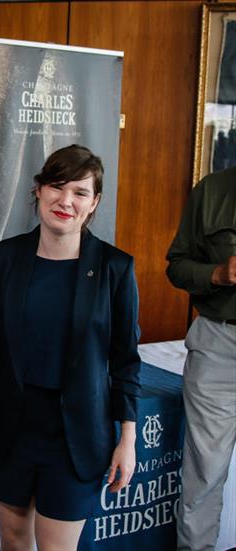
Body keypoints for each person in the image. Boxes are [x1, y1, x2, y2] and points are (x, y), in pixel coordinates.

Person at [0, 144, 141, 550]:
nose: (66, 201)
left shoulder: (116, 268)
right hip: (10, 430)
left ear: (94, 202)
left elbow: (125, 363)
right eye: (57, 187)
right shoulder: (6, 258)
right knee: (12, 543)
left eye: (80, 192)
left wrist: (127, 441)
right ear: (39, 190)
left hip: (75, 437)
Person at [167, 166, 236, 551]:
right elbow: (176, 266)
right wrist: (217, 275)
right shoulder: (212, 190)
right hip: (219, 341)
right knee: (204, 476)